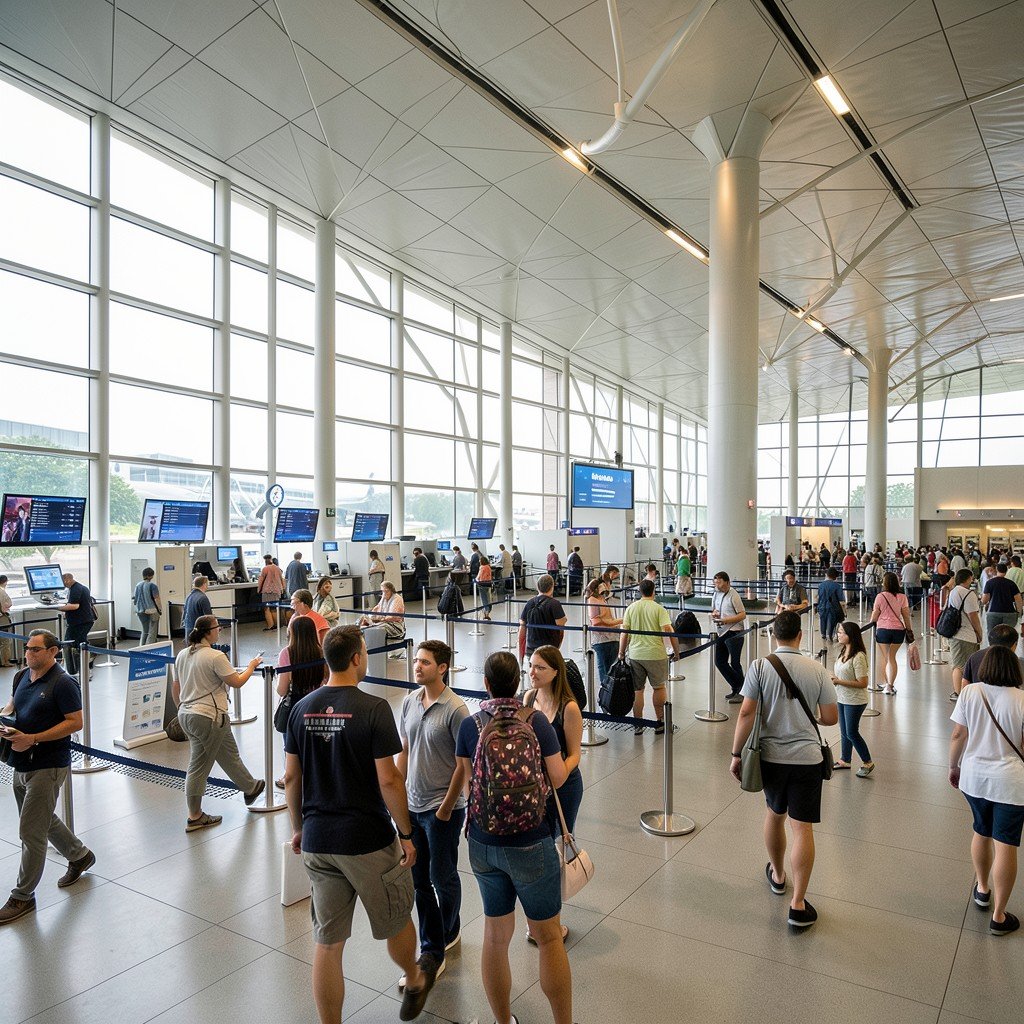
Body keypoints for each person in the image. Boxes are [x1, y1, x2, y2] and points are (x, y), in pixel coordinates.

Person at [283, 625, 436, 1023]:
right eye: (364, 652)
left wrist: (298, 828)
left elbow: (292, 778)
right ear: (356, 658)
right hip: (366, 839)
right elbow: (389, 779)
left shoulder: (302, 709)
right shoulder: (373, 709)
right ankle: (414, 977)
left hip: (318, 841)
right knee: (396, 920)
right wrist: (406, 834)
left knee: (328, 944)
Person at [454, 651, 572, 1024]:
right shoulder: (536, 722)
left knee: (495, 935)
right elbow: (557, 777)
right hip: (532, 839)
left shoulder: (470, 725)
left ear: (486, 684)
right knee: (549, 937)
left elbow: (470, 782)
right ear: (517, 681)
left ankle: (503, 1020)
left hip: (484, 842)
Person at [729, 611, 839, 929]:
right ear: (800, 636)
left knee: (774, 815)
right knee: (802, 828)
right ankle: (798, 904)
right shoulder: (816, 669)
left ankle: (778, 875)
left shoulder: (760, 666)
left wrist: (736, 754)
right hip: (807, 760)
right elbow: (830, 717)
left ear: (774, 635)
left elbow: (746, 712)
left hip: (771, 758)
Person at [0, 629, 96, 926]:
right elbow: (11, 706)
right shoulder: (21, 677)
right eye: (27, 648)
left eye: (36, 649)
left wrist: (35, 739)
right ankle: (79, 856)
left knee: (31, 832)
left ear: (53, 652)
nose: (29, 653)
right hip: (20, 762)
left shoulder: (64, 683)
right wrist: (4, 723)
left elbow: (75, 722)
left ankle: (23, 896)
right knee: (42, 819)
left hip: (48, 764)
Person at [396, 639, 468, 988]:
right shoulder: (409, 701)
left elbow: (462, 766)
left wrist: (444, 808)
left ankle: (442, 936)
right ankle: (433, 944)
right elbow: (405, 751)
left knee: (443, 876)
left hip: (444, 810)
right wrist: (397, 794)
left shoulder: (456, 709)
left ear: (442, 668)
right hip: (412, 805)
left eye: (425, 662)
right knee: (418, 880)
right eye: (416, 661)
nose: (418, 666)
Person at [949, 646, 1024, 936]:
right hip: (1012, 783)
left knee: (981, 831)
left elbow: (958, 733)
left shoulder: (970, 693)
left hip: (974, 778)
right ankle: (1000, 915)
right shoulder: (1021, 699)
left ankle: (982, 889)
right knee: (1006, 843)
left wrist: (952, 766)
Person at [172, 615, 265, 832]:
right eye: (217, 628)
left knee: (229, 754)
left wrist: (181, 709)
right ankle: (195, 816)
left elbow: (176, 687)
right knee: (199, 765)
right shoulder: (215, 656)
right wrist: (252, 666)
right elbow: (237, 682)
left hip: (188, 714)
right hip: (209, 717)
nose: (219, 631)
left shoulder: (183, 655)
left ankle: (250, 787)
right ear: (208, 632)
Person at [523, 644, 583, 945]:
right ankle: (542, 918)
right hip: (537, 787)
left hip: (564, 787)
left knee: (555, 849)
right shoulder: (529, 699)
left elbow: (575, 756)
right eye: (531, 666)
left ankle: (552, 919)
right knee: (538, 850)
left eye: (540, 668)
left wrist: (556, 773)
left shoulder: (569, 708)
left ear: (555, 672)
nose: (532, 672)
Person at [618, 578, 680, 735]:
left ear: (640, 591)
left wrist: (621, 652)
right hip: (656, 654)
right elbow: (668, 630)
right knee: (658, 687)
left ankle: (638, 723)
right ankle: (659, 721)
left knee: (638, 690)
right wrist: (676, 650)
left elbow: (624, 633)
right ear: (654, 591)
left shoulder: (631, 608)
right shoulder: (659, 609)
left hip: (636, 654)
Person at [274, 615, 327, 789]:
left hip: (295, 707)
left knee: (290, 745)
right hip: (317, 704)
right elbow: (326, 680)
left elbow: (282, 690)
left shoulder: (287, 653)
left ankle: (290, 775)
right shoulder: (321, 652)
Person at [830, 621, 873, 776]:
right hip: (842, 697)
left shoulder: (859, 656)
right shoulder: (843, 651)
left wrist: (838, 681)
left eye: (842, 632)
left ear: (850, 635)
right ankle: (845, 759)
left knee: (852, 732)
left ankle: (867, 762)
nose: (838, 635)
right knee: (844, 731)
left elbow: (863, 682)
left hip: (855, 700)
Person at [869, 571, 915, 696]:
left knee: (885, 657)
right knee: (891, 657)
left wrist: (871, 623)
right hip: (898, 630)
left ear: (885, 583)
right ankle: (889, 684)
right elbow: (906, 615)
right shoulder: (902, 597)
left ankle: (887, 684)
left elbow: (875, 614)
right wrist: (909, 629)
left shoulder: (880, 596)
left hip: (883, 629)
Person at [945, 569, 984, 703]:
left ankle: (960, 692)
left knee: (959, 664)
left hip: (954, 633)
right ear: (968, 579)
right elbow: (973, 616)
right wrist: (979, 632)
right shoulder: (969, 594)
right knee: (961, 666)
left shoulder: (954, 591)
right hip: (966, 635)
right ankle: (959, 693)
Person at [711, 571, 747, 703]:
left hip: (734, 631)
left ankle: (742, 691)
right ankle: (738, 687)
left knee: (735, 663)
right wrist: (715, 614)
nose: (717, 585)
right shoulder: (716, 594)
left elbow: (742, 614)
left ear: (727, 582)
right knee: (719, 661)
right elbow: (714, 610)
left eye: (719, 582)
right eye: (715, 582)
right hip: (721, 631)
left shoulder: (734, 595)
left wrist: (727, 620)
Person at [519, 575, 566, 660]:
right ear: (552, 587)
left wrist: (520, 655)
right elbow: (561, 628)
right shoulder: (555, 604)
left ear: (537, 587)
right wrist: (557, 648)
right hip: (549, 648)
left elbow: (522, 628)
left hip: (531, 647)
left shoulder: (529, 603)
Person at [56, 572, 94, 676]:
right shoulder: (80, 587)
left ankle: (81, 669)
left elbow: (74, 606)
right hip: (82, 621)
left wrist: (58, 607)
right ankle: (81, 668)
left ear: (67, 580)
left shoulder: (76, 589)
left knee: (73, 643)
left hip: (80, 622)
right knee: (78, 643)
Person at [586, 578, 622, 687]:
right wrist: (616, 622)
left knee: (610, 667)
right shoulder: (592, 600)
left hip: (612, 637)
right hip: (601, 639)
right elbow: (596, 622)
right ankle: (606, 691)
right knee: (604, 668)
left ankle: (610, 690)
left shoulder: (602, 599)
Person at [982, 562, 1022, 642]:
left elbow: (984, 600)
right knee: (1008, 637)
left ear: (996, 570)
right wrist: (1019, 613)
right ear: (1006, 571)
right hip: (1010, 613)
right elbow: (1018, 599)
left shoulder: (990, 583)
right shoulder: (1011, 583)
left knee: (992, 635)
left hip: (993, 612)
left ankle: (994, 652)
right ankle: (1007, 652)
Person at [815, 567, 845, 658]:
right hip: (833, 608)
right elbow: (841, 601)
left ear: (826, 575)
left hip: (822, 607)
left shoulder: (820, 585)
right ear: (835, 577)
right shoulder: (837, 586)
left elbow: (817, 597)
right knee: (831, 624)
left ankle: (823, 637)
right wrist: (844, 611)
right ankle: (830, 637)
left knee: (822, 622)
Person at [133, 566, 162, 646]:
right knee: (152, 631)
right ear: (151, 576)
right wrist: (160, 609)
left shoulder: (138, 585)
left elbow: (135, 600)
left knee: (145, 630)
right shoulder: (153, 586)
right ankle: (150, 648)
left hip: (140, 610)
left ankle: (142, 647)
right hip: (152, 610)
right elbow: (157, 599)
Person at [257, 553, 286, 631]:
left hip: (267, 590)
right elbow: (282, 579)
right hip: (277, 591)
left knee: (266, 608)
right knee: (274, 608)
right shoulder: (278, 568)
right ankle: (277, 624)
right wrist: (283, 588)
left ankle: (270, 625)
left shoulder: (265, 569)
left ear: (265, 560)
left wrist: (259, 589)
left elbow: (261, 580)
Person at [182, 575, 213, 641]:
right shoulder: (203, 598)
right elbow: (208, 617)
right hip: (199, 633)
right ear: (204, 584)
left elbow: (184, 613)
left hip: (189, 631)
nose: (208, 586)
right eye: (207, 584)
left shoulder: (189, 596)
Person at [0, 574, 13, 668]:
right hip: (2, 618)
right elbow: (8, 604)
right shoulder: (2, 592)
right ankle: (5, 661)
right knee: (5, 641)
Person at [475, 555, 493, 620]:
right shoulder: (488, 567)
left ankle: (486, 611)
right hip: (488, 584)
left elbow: (479, 576)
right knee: (488, 598)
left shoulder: (482, 567)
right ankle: (488, 610)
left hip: (482, 584)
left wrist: (475, 580)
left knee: (484, 599)